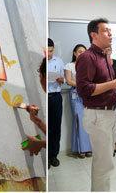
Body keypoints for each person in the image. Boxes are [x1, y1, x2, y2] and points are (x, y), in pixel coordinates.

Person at [75, 18, 116, 191]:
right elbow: (85, 89)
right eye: (106, 30)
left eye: (110, 31)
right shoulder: (86, 57)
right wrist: (114, 84)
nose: (110, 33)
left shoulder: (105, 56)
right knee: (103, 164)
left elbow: (106, 83)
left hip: (109, 113)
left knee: (106, 161)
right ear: (94, 35)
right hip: (98, 115)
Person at [64, 44, 92, 158]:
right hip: (75, 95)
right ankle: (81, 149)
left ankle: (86, 148)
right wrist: (82, 85)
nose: (82, 53)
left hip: (87, 96)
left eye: (84, 52)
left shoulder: (89, 65)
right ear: (75, 53)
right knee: (79, 121)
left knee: (88, 121)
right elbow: (69, 81)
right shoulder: (69, 65)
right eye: (80, 51)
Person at [46, 39, 65, 168]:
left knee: (56, 127)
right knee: (46, 128)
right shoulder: (39, 61)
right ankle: (46, 157)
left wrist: (60, 79)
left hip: (56, 97)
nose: (49, 53)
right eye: (47, 51)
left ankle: (54, 156)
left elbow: (63, 79)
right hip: (44, 95)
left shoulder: (59, 61)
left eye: (51, 50)